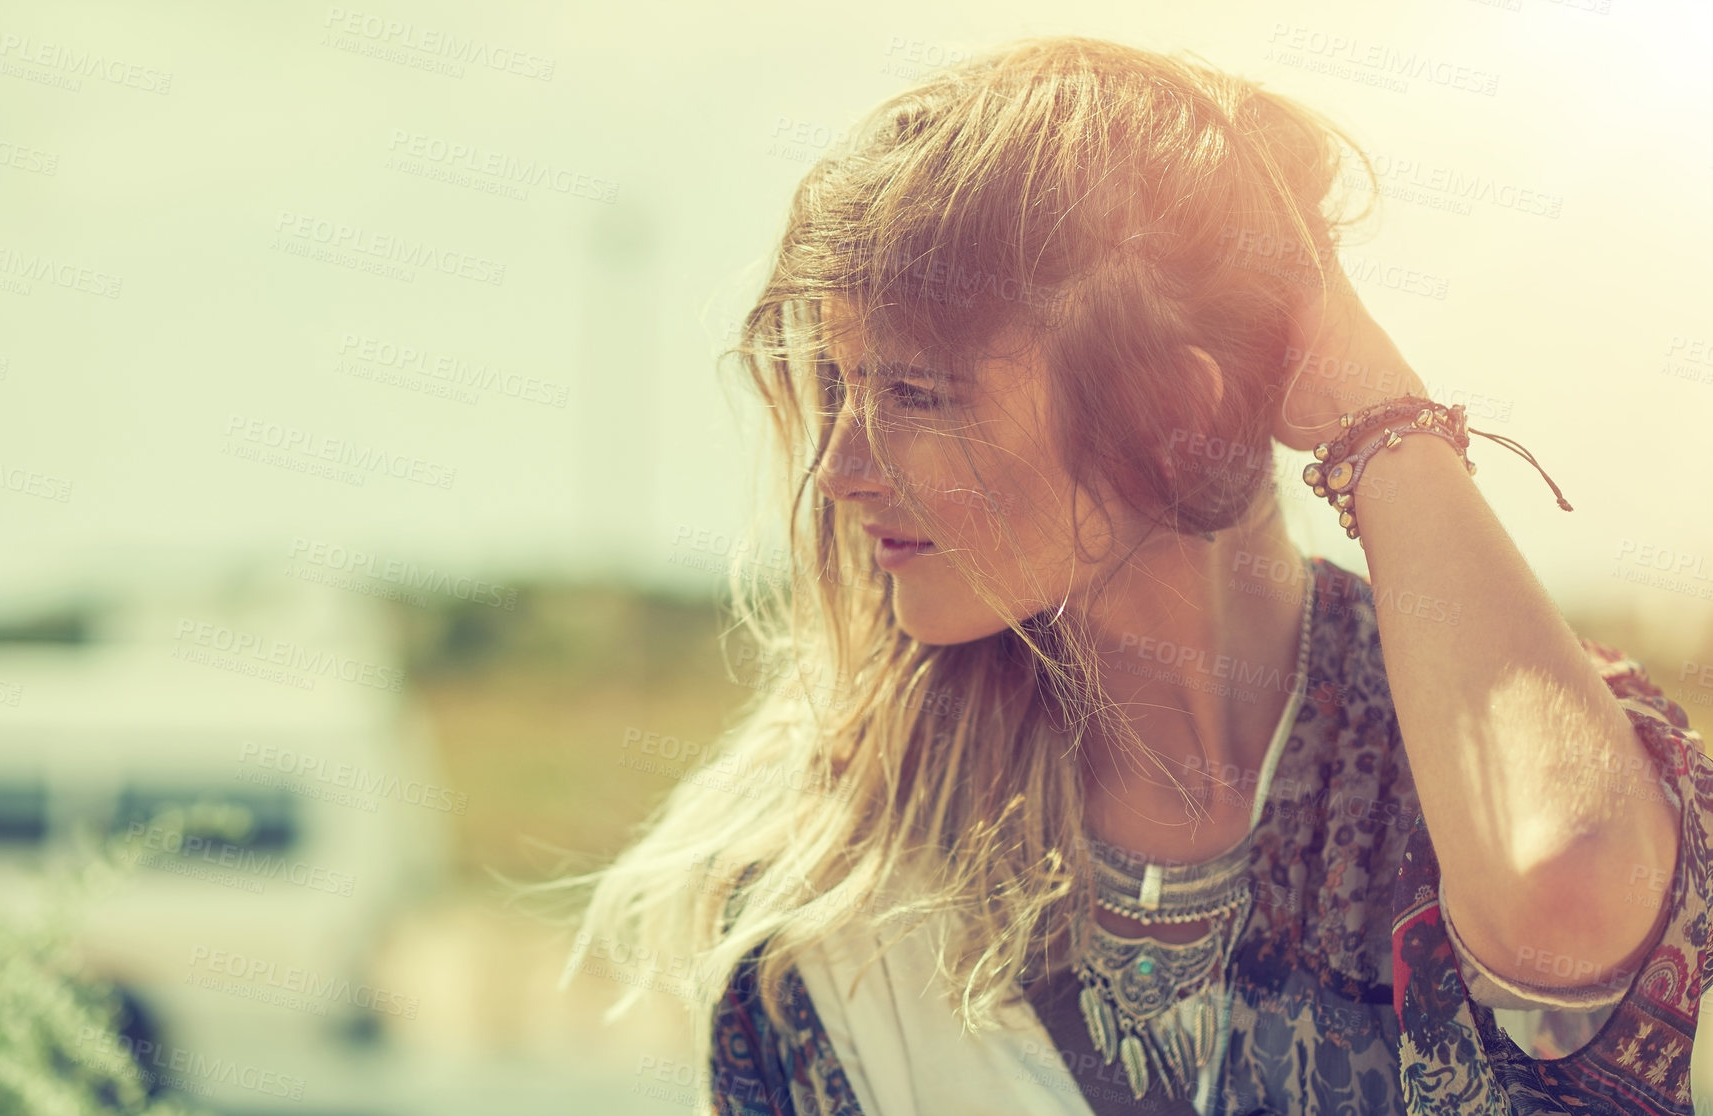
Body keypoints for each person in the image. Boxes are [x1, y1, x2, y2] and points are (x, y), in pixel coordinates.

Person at [560, 35, 1709, 1115]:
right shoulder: (829, 916)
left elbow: (1564, 881)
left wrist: (1378, 413)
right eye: (838, 389)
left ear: (1170, 408)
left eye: (914, 394)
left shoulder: (1505, 761)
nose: (837, 471)